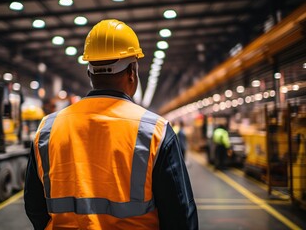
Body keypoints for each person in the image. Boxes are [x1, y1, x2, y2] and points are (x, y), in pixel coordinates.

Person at [24, 19, 198, 230]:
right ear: (132, 72)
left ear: (90, 74)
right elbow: (179, 215)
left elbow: (34, 206)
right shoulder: (155, 132)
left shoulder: (47, 129)